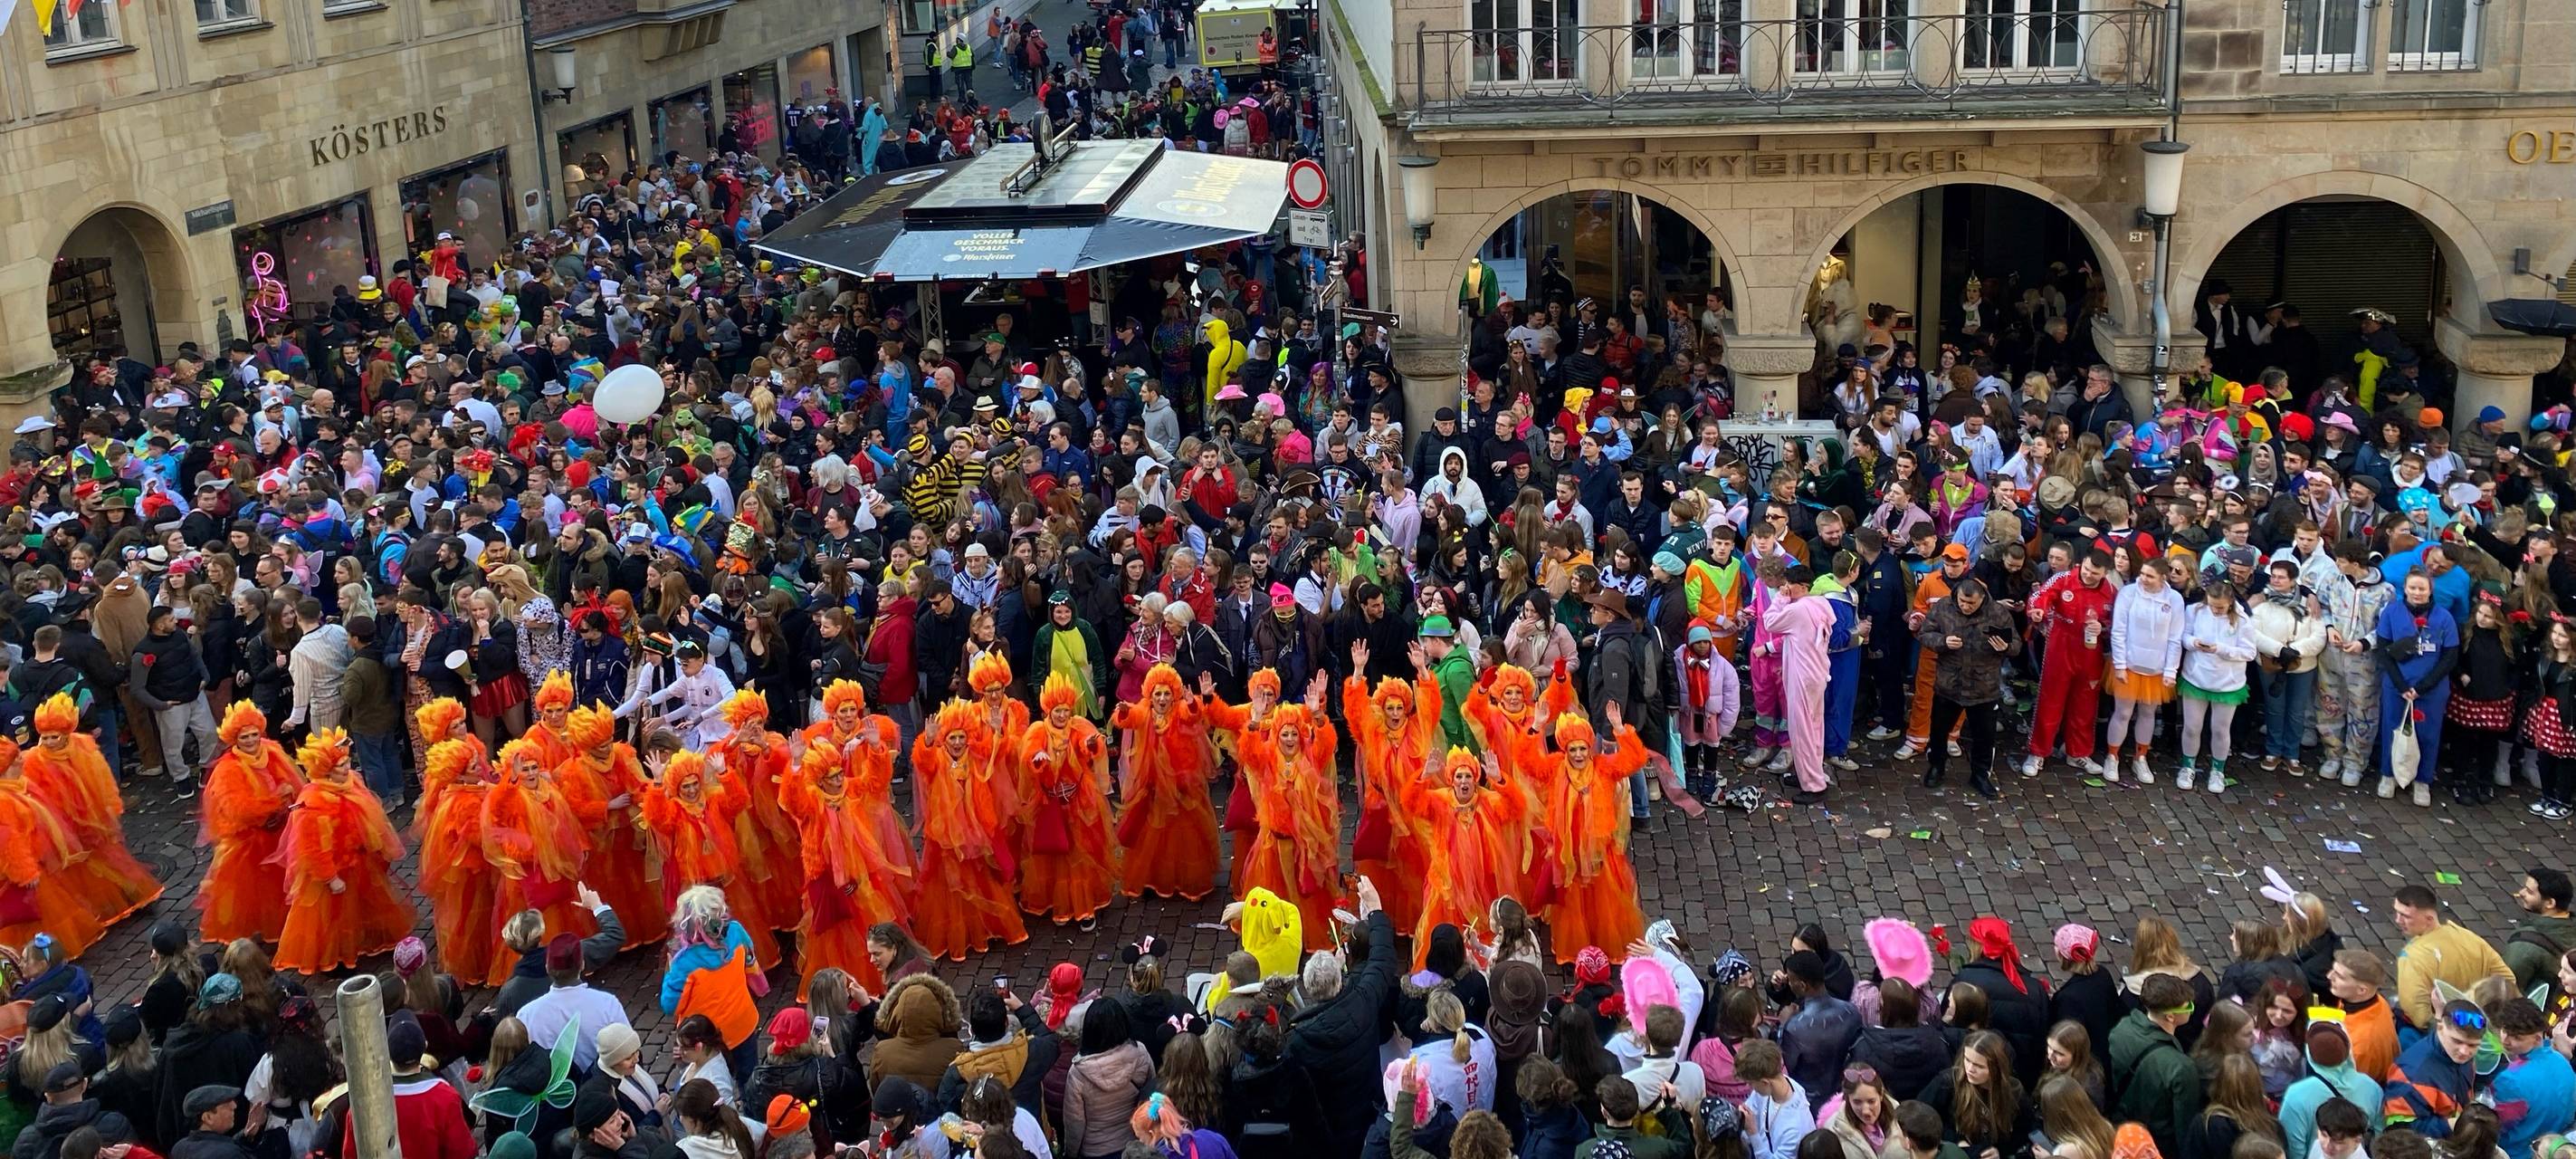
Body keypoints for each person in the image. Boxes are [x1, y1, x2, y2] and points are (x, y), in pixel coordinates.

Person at [270, 729, 414, 973]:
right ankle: (334, 957)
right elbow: (312, 848)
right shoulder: (312, 803)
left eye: (346, 762)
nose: (347, 768)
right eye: (340, 765)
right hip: (333, 873)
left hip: (359, 863)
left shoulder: (351, 783)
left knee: (364, 905)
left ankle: (369, 940)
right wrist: (330, 877)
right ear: (325, 769)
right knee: (333, 918)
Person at [776, 741, 911, 997]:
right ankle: (842, 983)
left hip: (859, 874)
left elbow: (874, 782)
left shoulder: (849, 790)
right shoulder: (811, 804)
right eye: (833, 777)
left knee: (867, 921)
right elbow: (793, 802)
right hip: (827, 879)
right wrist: (794, 765)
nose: (839, 780)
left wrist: (875, 749)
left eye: (840, 774)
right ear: (820, 781)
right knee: (835, 932)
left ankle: (873, 975)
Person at [909, 700, 1030, 960]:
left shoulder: (975, 754)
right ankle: (959, 933)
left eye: (961, 737)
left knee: (980, 875)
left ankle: (985, 927)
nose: (956, 742)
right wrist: (927, 742)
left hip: (977, 828)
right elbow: (923, 764)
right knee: (950, 883)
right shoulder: (938, 759)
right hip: (946, 834)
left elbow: (998, 754)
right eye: (952, 737)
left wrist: (998, 732)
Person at [1538, 703, 1650, 963]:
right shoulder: (1556, 769)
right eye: (1573, 749)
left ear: (1591, 749)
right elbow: (1529, 762)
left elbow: (1635, 760)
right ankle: (1577, 950)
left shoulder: (1603, 768)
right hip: (1570, 856)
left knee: (1604, 905)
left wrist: (1621, 729)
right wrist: (1537, 726)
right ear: (1564, 751)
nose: (1578, 755)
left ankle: (1604, 944)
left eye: (1582, 749)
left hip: (1600, 856)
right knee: (1574, 905)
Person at [196, 702, 302, 946]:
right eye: (245, 736)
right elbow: (239, 810)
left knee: (279, 884)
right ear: (234, 738)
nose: (252, 740)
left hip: (279, 832)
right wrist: (276, 799)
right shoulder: (227, 770)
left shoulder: (272, 752)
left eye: (255, 734)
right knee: (252, 891)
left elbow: (293, 783)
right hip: (248, 841)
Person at [1016, 672, 1116, 931]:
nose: (1062, 715)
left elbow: (1088, 746)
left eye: (1066, 710)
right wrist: (1036, 759)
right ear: (1048, 710)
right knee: (1055, 855)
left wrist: (1092, 745)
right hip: (1050, 803)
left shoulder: (1079, 726)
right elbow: (1028, 754)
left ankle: (1084, 908)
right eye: (1057, 711)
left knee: (1080, 854)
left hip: (1079, 801)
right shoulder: (1038, 731)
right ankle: (1058, 901)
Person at [1111, 664, 1218, 902]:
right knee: (1152, 834)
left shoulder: (1179, 710)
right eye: (1157, 694)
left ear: (1174, 695)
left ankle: (1184, 879)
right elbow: (1128, 719)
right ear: (1149, 695)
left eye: (1167, 693)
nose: (1162, 699)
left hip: (1182, 785)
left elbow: (1194, 715)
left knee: (1183, 833)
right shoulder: (1144, 710)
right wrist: (1123, 712)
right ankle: (1153, 878)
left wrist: (1192, 702)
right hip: (1152, 785)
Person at [1915, 578, 2019, 797]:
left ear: (1982, 599)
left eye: (1971, 603)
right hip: (1949, 684)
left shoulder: (1998, 613)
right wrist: (1943, 642)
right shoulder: (1944, 606)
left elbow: (2016, 645)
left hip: (1984, 687)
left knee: (1985, 736)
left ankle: (1980, 775)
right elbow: (1925, 634)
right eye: (1963, 601)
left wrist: (2006, 647)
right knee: (1939, 731)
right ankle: (1936, 767)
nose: (1966, 606)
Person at [2376, 571, 2459, 807]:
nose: (2417, 593)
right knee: (2392, 730)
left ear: (2431, 590)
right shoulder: (2392, 612)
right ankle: (2388, 774)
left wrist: (2423, 687)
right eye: (2413, 588)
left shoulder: (2444, 617)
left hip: (2430, 689)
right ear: (2405, 588)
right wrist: (2401, 685)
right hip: (2397, 685)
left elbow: (2450, 657)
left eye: (2422, 588)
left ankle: (2422, 780)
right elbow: (2384, 650)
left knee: (2428, 735)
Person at [2390, 884, 2511, 1030]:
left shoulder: (2412, 957)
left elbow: (2419, 1016)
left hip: (2445, 1031)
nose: (2398, 920)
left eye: (2405, 916)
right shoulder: (2469, 937)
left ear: (2429, 918)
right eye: (2397, 913)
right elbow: (2507, 980)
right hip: (2479, 1024)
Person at [2111, 973, 2205, 1157]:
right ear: (2171, 1016)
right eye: (2188, 1007)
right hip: (2158, 1142)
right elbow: (2185, 1124)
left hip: (2123, 1122)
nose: (2191, 1010)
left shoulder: (2122, 1028)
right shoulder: (2181, 1067)